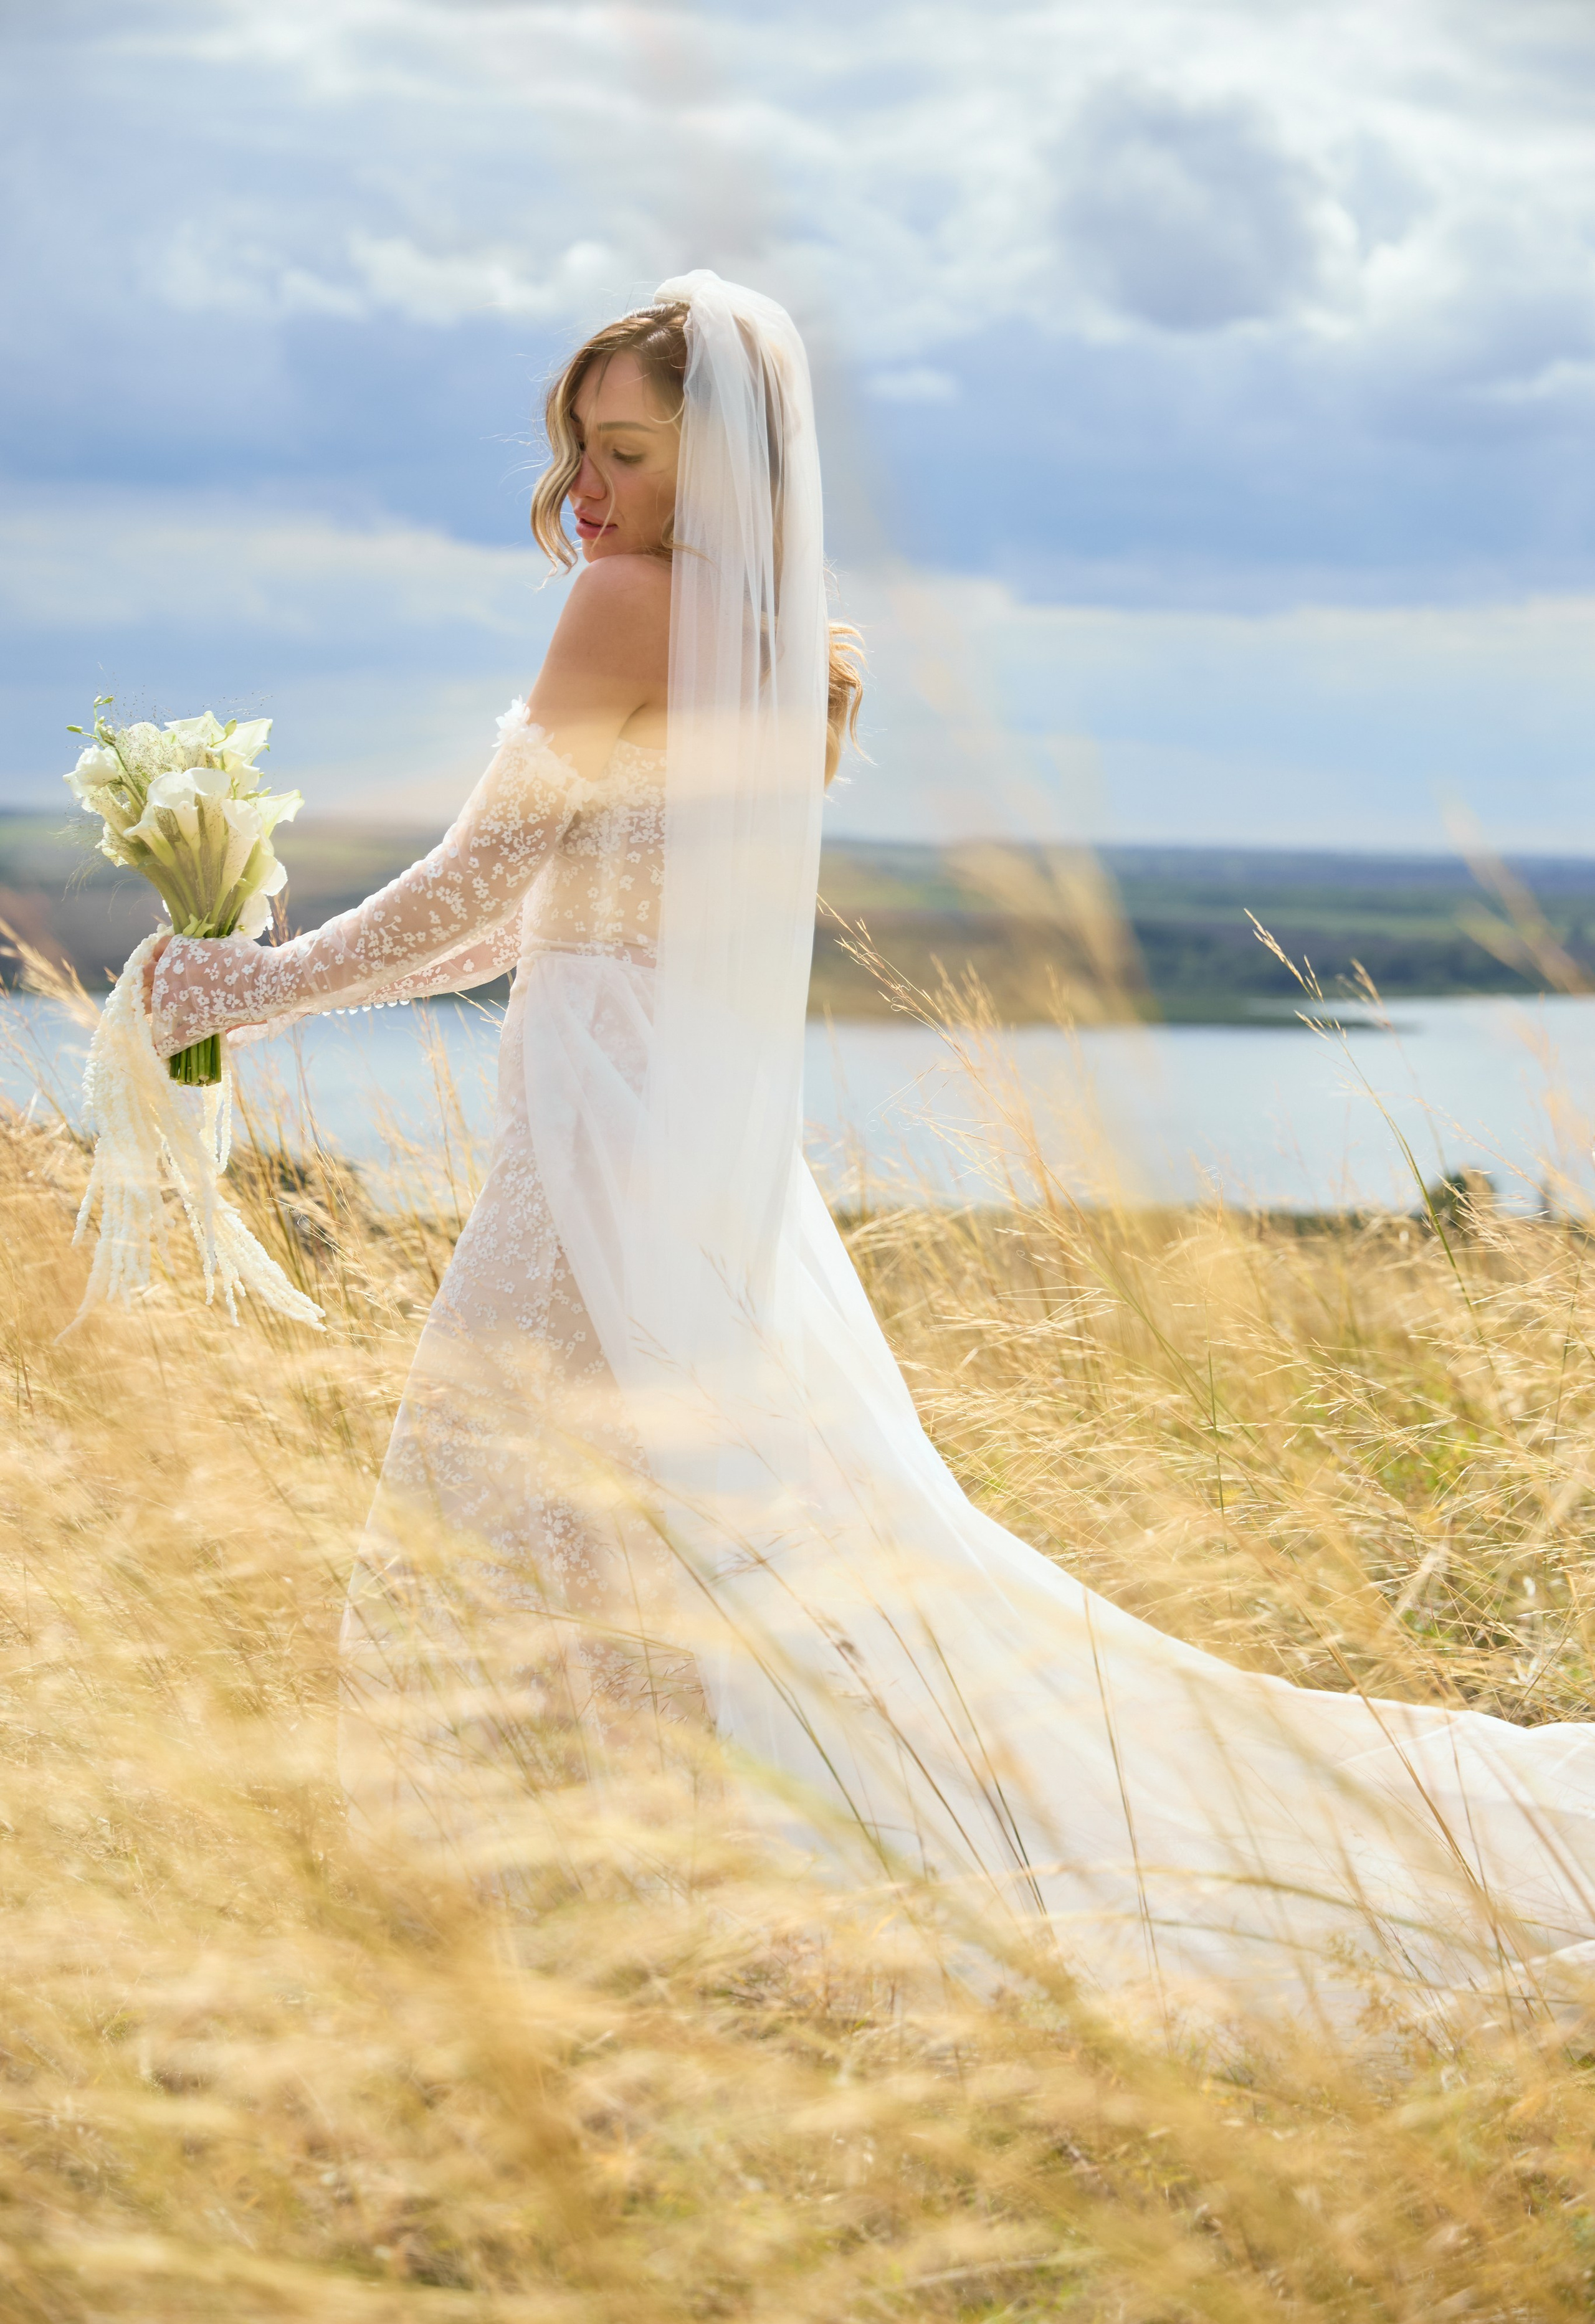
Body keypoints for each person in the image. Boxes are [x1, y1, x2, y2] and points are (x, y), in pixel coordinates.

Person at [147, 272, 1595, 2025]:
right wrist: (275, 985)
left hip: (606, 1120)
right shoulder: (763, 645)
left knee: (495, 1509)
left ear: (723, 471)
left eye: (623, 451)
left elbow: (475, 886)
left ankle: (572, 1926)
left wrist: (257, 978)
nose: (587, 491)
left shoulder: (621, 605)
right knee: (635, 1515)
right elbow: (536, 916)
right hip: (666, 1117)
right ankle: (634, 1906)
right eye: (574, 450)